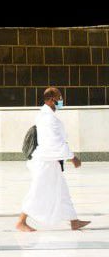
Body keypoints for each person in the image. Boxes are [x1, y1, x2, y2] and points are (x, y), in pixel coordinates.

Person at [16, 87, 90, 232]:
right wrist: (72, 157)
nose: (61, 101)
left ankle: (74, 221)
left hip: (51, 161)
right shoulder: (47, 118)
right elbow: (54, 142)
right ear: (51, 100)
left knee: (62, 192)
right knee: (37, 191)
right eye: (59, 98)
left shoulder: (47, 115)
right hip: (44, 162)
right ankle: (21, 221)